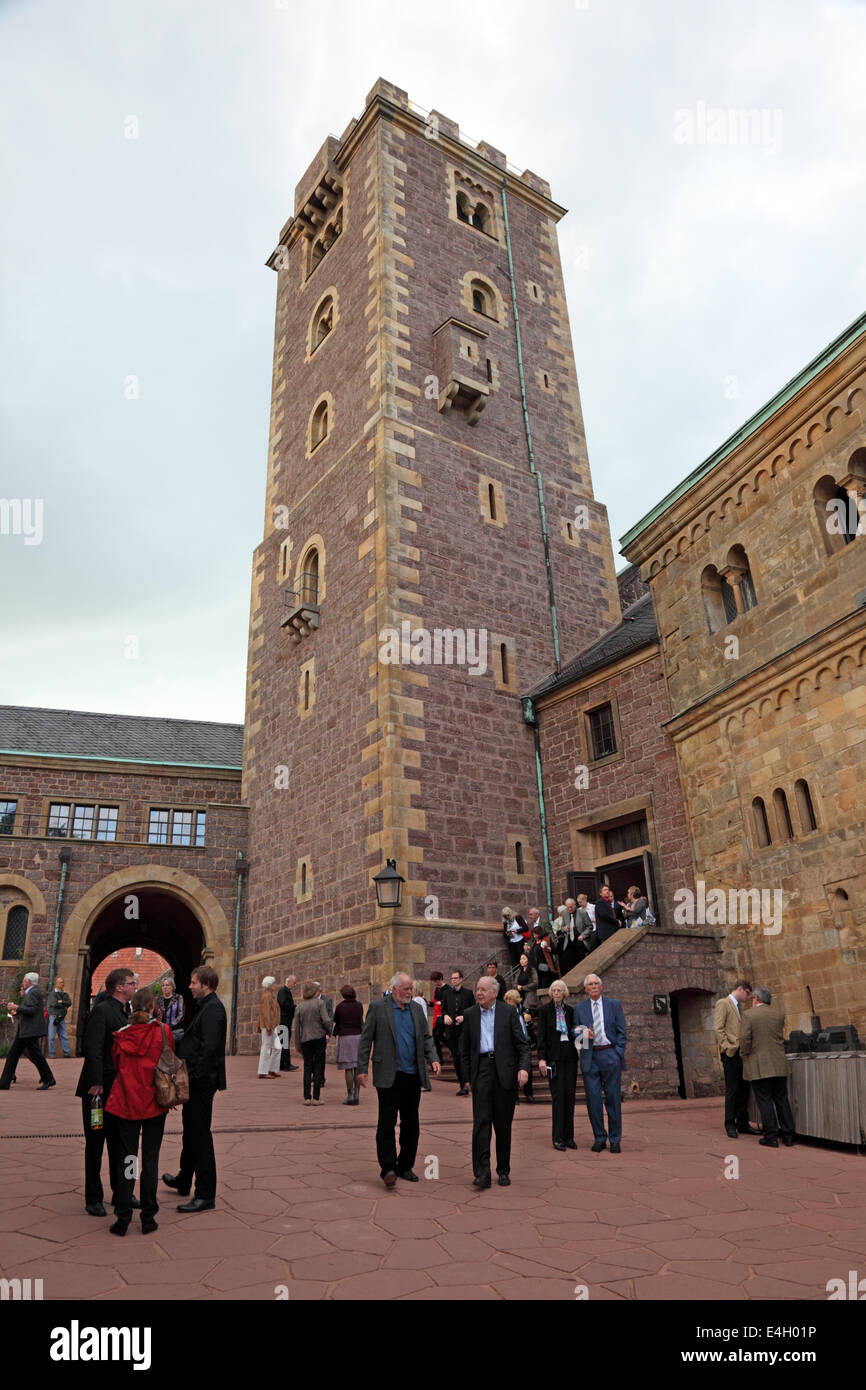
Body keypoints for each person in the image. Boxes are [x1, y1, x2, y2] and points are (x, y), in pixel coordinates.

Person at [356, 972, 440, 1187]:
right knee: (387, 1123)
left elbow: (426, 1037)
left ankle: (405, 1165)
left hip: (412, 1075)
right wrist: (362, 1068)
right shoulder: (378, 1008)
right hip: (388, 1074)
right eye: (406, 989)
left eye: (411, 989)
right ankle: (388, 1168)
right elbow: (366, 1040)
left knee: (411, 1124)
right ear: (394, 988)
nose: (410, 993)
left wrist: (433, 1058)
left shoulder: (416, 1009)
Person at [106, 987, 175, 1236]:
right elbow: (169, 1060)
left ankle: (123, 1214)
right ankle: (148, 1215)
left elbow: (117, 1064)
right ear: (153, 1006)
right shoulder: (163, 1032)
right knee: (151, 1158)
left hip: (127, 1104)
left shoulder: (121, 1035)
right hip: (155, 1103)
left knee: (128, 1159)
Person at [162, 965, 227, 1213]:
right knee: (190, 1132)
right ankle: (184, 1178)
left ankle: (205, 1193)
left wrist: (195, 1077)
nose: (189, 986)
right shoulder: (207, 1007)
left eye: (193, 982)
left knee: (200, 1135)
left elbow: (209, 1049)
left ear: (206, 985)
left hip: (201, 1082)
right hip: (196, 1079)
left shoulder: (213, 1010)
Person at [73, 967, 136, 1215]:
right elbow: (94, 1049)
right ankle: (93, 1198)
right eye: (132, 983)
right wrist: (96, 1082)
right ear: (119, 987)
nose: (134, 986)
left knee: (119, 1144)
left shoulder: (125, 1011)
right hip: (97, 1092)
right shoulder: (102, 1011)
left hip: (118, 1089)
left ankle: (123, 1192)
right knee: (96, 1142)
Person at [460, 975, 530, 1187]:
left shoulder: (508, 1012)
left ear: (494, 992)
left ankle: (503, 1169)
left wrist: (524, 1069)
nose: (478, 993)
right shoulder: (470, 1014)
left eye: (483, 989)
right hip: (481, 1070)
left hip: (505, 1073)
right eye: (477, 989)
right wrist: (466, 1078)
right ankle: (482, 1173)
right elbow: (463, 1051)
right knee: (481, 1123)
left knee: (503, 1124)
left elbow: (523, 1045)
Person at [573, 973, 627, 1153]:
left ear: (601, 987)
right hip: (590, 1057)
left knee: (613, 1098)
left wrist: (617, 1053)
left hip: (609, 1055)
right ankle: (599, 1137)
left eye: (596, 983)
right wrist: (582, 1033)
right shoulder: (579, 1008)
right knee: (593, 1100)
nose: (594, 986)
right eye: (590, 984)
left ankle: (615, 1139)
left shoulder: (614, 1005)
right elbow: (574, 1031)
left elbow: (622, 1032)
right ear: (586, 989)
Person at [739, 987, 795, 1148]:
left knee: (764, 1100)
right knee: (781, 1099)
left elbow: (744, 1039)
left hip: (759, 1063)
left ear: (756, 998)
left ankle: (770, 1136)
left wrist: (744, 1054)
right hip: (778, 1062)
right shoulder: (778, 1014)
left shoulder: (749, 1015)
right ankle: (788, 1135)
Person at [713, 979, 759, 1140]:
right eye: (747, 993)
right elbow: (718, 1028)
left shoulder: (740, 1008)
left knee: (744, 1089)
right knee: (732, 1089)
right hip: (731, 1052)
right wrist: (727, 1047)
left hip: (742, 1053)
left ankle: (743, 1123)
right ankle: (729, 1123)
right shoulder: (723, 1003)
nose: (747, 997)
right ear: (740, 989)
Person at [537, 979, 578, 1150]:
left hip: (570, 1057)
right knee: (558, 1097)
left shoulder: (570, 1011)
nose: (556, 993)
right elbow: (541, 1036)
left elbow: (575, 1032)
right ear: (550, 993)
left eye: (560, 990)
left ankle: (569, 1136)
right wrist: (541, 1058)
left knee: (569, 1096)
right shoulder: (545, 1011)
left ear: (564, 993)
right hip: (554, 1058)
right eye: (554, 990)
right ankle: (558, 1137)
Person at [0, 973, 56, 1090]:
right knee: (13, 1055)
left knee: (36, 1055)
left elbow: (32, 1010)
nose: (23, 982)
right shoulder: (31, 992)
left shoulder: (34, 992)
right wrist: (18, 1012)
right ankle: (4, 1082)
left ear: (29, 981)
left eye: (24, 980)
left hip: (30, 1030)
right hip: (25, 1029)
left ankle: (49, 1078)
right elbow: (29, 1010)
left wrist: (16, 1007)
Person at [294, 980, 331, 1104]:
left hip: (305, 1038)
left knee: (307, 1066)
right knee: (318, 1065)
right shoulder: (320, 1003)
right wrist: (328, 1030)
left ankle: (307, 1097)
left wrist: (297, 1044)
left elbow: (297, 1028)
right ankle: (316, 1097)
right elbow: (326, 1020)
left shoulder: (299, 1006)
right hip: (319, 1037)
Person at [440, 969, 474, 1096]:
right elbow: (443, 1010)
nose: (453, 980)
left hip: (464, 1031)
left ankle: (467, 1084)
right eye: (452, 978)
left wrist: (465, 1017)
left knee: (463, 1057)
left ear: (461, 979)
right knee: (456, 1059)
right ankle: (462, 1084)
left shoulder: (468, 993)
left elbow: (474, 1010)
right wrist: (445, 1016)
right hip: (451, 1031)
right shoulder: (446, 994)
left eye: (455, 978)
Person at [333, 983, 364, 1105]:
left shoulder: (340, 1007)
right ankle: (357, 1094)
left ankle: (350, 1094)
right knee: (357, 1066)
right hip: (358, 1036)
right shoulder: (359, 1005)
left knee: (348, 1068)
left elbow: (336, 1020)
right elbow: (360, 1019)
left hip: (345, 1037)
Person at [503, 988, 533, 1102]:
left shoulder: (524, 1011)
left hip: (525, 1042)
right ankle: (515, 1096)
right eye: (506, 1000)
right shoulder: (505, 1013)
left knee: (527, 1068)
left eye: (510, 999)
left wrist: (529, 1022)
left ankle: (529, 1093)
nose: (507, 1002)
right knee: (514, 1070)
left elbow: (530, 1028)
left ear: (515, 1000)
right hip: (512, 1045)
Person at [257, 975, 281, 1078]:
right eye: (273, 983)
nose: (275, 985)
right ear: (269, 985)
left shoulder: (270, 995)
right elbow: (266, 1013)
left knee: (277, 1047)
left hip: (273, 1025)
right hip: (268, 1026)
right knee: (266, 1048)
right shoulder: (267, 996)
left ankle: (272, 1069)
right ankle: (263, 1072)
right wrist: (268, 1027)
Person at [46, 976, 73, 1059]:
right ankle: (51, 1053)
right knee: (51, 1036)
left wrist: (60, 1002)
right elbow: (54, 1004)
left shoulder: (64, 994)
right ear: (56, 984)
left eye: (63, 982)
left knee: (63, 1035)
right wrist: (63, 1004)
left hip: (61, 1017)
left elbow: (69, 1003)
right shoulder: (52, 994)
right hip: (53, 1017)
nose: (62, 984)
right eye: (60, 982)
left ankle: (67, 1052)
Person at [277, 974, 298, 1071]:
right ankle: (285, 1064)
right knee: (284, 1043)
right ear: (288, 982)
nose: (295, 985)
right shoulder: (283, 991)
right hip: (283, 1021)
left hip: (287, 1020)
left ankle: (283, 1064)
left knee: (285, 1042)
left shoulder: (287, 991)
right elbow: (283, 1003)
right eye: (294, 983)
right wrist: (294, 1006)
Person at [429, 972, 445, 1063]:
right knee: (435, 1037)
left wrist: (442, 1003)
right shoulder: (436, 989)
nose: (435, 983)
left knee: (437, 1035)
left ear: (441, 978)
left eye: (437, 980)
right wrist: (429, 1003)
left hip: (443, 1016)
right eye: (434, 981)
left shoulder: (447, 989)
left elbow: (449, 1002)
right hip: (436, 1016)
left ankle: (452, 1046)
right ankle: (439, 1058)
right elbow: (434, 1003)